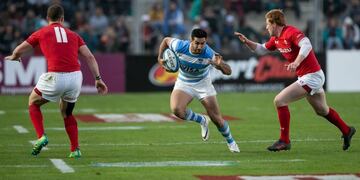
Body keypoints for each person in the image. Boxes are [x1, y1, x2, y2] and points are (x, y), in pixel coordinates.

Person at [234, 9, 356, 152]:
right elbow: (261, 49)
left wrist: (297, 62)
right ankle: (347, 130)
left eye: (267, 24)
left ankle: (284, 141)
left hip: (312, 76)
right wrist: (247, 41)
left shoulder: (291, 32)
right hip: (309, 76)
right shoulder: (276, 39)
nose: (266, 27)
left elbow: (307, 45)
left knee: (279, 100)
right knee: (322, 110)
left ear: (274, 23)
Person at [4, 4, 108, 158]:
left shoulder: (41, 32)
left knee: (33, 102)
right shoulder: (74, 34)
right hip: (75, 77)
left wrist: (14, 57)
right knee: (67, 112)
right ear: (62, 19)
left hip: (56, 76)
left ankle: (41, 136)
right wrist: (98, 79)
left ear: (47, 19)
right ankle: (75, 149)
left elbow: (19, 49)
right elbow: (90, 57)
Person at [157, 28, 240, 153]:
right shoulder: (180, 46)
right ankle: (201, 120)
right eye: (197, 43)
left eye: (203, 43)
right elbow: (165, 40)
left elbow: (229, 71)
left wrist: (220, 66)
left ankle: (231, 141)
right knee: (177, 110)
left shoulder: (209, 54)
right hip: (184, 82)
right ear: (191, 40)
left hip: (203, 84)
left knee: (217, 119)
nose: (200, 46)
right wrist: (159, 58)